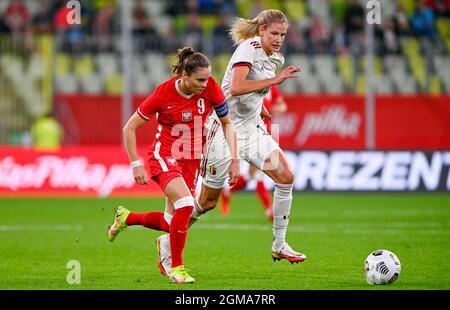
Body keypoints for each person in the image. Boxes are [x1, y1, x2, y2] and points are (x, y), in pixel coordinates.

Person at [156, 9, 307, 276]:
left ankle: (280, 245)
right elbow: (235, 87)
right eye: (274, 33)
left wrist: (259, 106)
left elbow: (248, 91)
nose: (279, 39)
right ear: (261, 31)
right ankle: (167, 240)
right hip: (223, 133)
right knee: (206, 203)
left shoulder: (276, 58)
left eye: (282, 34)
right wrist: (276, 80)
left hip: (252, 130)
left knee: (285, 176)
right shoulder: (249, 49)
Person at [107, 47, 239, 284]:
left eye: (208, 78)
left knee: (171, 223)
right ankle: (177, 268)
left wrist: (235, 160)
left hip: (192, 159)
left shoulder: (211, 88)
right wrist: (135, 164)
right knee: (187, 205)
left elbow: (228, 124)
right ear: (184, 76)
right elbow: (129, 127)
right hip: (164, 155)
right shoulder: (163, 94)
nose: (205, 84)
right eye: (200, 79)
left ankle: (127, 218)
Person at [220, 85, 288, 220]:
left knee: (251, 175)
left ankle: (227, 192)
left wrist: (274, 108)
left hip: (265, 133)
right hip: (251, 134)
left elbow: (282, 106)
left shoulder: (271, 87)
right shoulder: (249, 85)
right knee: (258, 174)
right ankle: (270, 211)